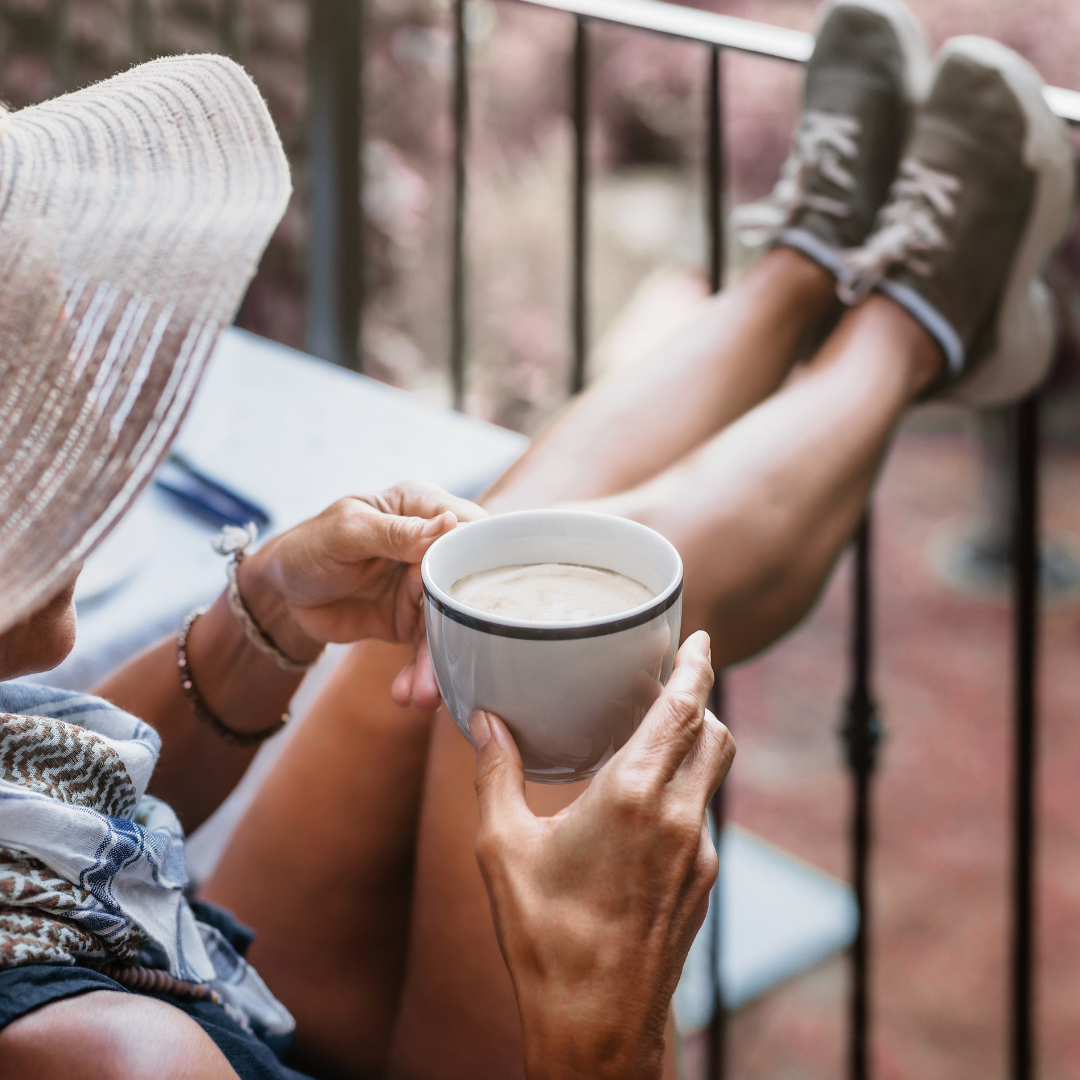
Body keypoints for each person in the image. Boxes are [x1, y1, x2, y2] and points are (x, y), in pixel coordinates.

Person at [0, 1, 1074, 1077]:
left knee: (499, 568)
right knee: (577, 646)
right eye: (33, 415)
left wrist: (264, 620)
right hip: (227, 1024)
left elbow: (39, 831)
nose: (92, 429)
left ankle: (808, 264)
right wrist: (608, 1003)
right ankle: (917, 322)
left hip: (221, 972)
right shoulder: (119, 1062)